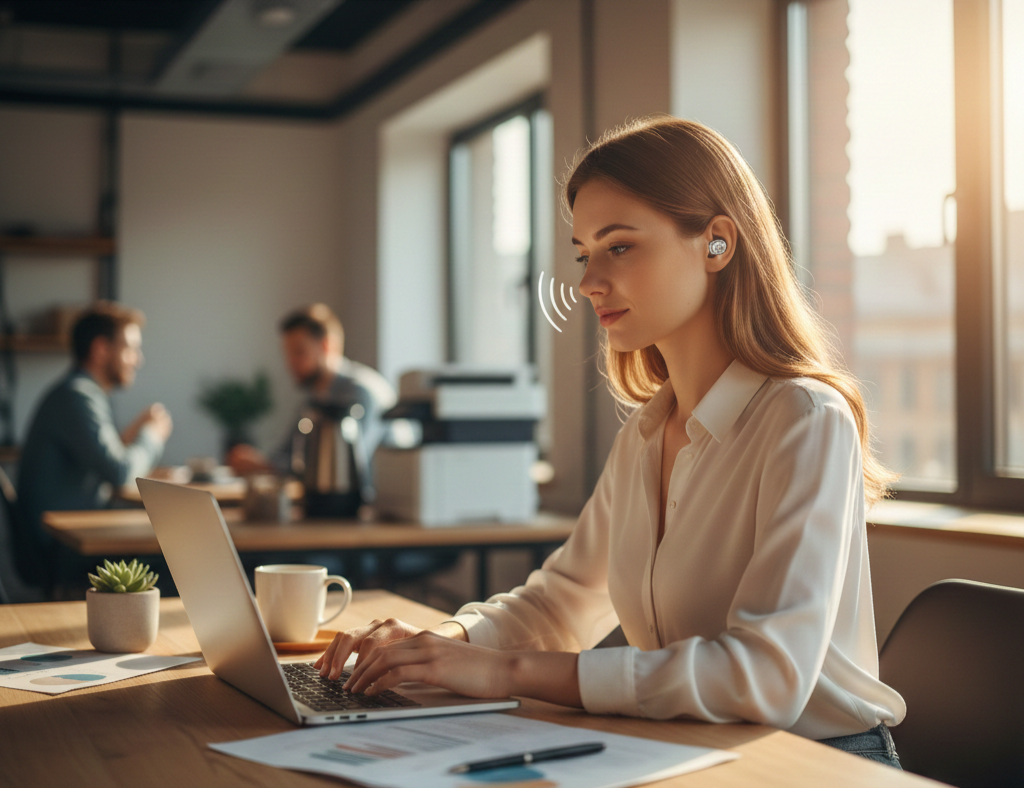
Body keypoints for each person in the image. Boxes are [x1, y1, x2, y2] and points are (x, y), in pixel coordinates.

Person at [313, 117, 907, 768]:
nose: (587, 281)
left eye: (618, 247)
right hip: (690, 746)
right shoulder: (649, 432)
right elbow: (563, 599)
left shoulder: (805, 420)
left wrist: (506, 672)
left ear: (716, 243)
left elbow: (765, 677)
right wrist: (439, 643)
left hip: (818, 762)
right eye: (582, 253)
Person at [16, 302, 173, 588]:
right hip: (63, 549)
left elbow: (103, 460)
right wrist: (151, 436)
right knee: (177, 563)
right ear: (101, 349)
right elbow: (119, 471)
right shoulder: (78, 397)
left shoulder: (80, 394)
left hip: (66, 541)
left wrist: (133, 434)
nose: (138, 360)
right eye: (131, 349)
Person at [226, 303, 396, 494]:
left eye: (299, 352)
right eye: (287, 354)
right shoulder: (314, 400)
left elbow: (351, 469)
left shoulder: (360, 393)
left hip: (368, 512)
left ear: (325, 346)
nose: (290, 363)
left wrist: (267, 467)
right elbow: (287, 455)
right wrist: (261, 463)